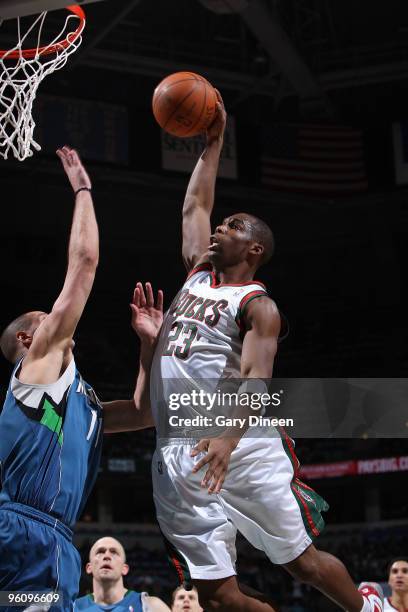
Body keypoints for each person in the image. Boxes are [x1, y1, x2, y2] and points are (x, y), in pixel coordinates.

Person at [147, 92, 384, 612]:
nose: (218, 229)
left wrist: (229, 441)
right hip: (181, 441)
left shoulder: (259, 306)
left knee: (299, 560)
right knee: (217, 598)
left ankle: (373, 608)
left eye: (231, 227)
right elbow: (195, 205)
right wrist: (214, 141)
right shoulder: (196, 275)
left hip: (243, 439)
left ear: (253, 249)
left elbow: (257, 380)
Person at [0, 148, 159, 611]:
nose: (57, 318)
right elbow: (85, 262)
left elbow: (143, 412)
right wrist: (83, 189)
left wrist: (148, 347)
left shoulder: (77, 397)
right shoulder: (38, 366)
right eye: (46, 318)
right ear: (30, 337)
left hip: (50, 540)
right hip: (26, 532)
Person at [75, 536, 170, 612]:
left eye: (114, 552)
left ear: (124, 569)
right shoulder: (72, 608)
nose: (107, 556)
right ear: (89, 567)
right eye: (100, 552)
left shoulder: (151, 606)